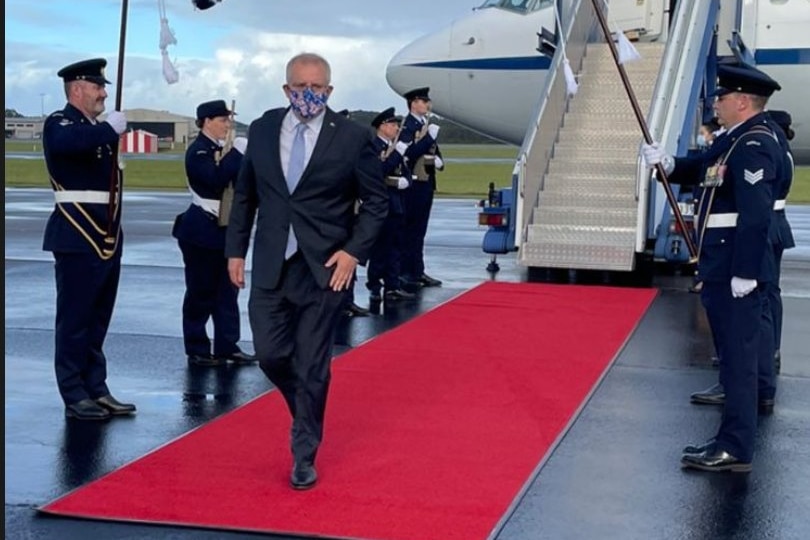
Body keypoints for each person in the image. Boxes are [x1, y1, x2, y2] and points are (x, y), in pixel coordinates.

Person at [225, 52, 388, 489]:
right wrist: (234, 251)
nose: (308, 96)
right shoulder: (261, 131)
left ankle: (303, 453)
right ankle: (306, 408)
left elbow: (376, 203)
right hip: (271, 263)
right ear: (286, 90)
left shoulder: (352, 138)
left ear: (330, 91)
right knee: (271, 354)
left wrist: (354, 252)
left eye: (317, 88)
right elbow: (245, 197)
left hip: (325, 267)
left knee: (314, 364)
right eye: (300, 88)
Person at [642, 64, 784, 472]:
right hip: (721, 262)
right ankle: (731, 439)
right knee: (733, 357)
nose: (715, 103)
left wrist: (746, 271)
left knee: (738, 362)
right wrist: (668, 163)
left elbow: (755, 217)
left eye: (721, 98)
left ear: (742, 102)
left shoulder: (754, 144)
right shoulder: (735, 140)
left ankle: (736, 446)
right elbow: (704, 165)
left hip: (734, 267)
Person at [42, 58, 136, 420]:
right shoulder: (60, 123)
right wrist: (108, 130)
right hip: (76, 233)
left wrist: (105, 130)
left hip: (107, 234)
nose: (104, 93)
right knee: (75, 320)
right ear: (77, 88)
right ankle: (73, 392)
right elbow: (70, 144)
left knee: (98, 319)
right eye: (98, 87)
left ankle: (97, 387)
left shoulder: (96, 127)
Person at [172, 100, 255, 367]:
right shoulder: (198, 151)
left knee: (228, 291)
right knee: (200, 291)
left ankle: (227, 345)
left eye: (228, 120)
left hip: (225, 231)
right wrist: (236, 155)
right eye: (222, 120)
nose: (227, 125)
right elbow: (215, 179)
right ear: (206, 121)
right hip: (201, 230)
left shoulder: (223, 149)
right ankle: (196, 347)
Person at [366, 107, 416, 303]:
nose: (396, 128)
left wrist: (406, 180)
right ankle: (375, 286)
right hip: (382, 204)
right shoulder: (374, 146)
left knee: (395, 246)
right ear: (382, 126)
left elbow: (404, 170)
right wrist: (397, 153)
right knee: (380, 249)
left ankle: (392, 286)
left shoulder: (394, 146)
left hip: (397, 203)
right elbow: (379, 171)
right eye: (393, 124)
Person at [398, 87, 444, 289]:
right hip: (414, 184)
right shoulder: (407, 126)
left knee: (420, 230)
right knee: (410, 229)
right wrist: (428, 139)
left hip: (426, 182)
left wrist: (439, 160)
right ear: (414, 104)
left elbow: (433, 150)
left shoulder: (424, 124)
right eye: (423, 101)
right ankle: (405, 271)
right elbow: (408, 153)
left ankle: (417, 270)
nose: (426, 105)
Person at [765, 110, 796, 374]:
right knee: (771, 290)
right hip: (777, 224)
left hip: (770, 224)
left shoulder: (776, 153)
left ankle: (770, 347)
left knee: (768, 291)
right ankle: (771, 347)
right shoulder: (783, 152)